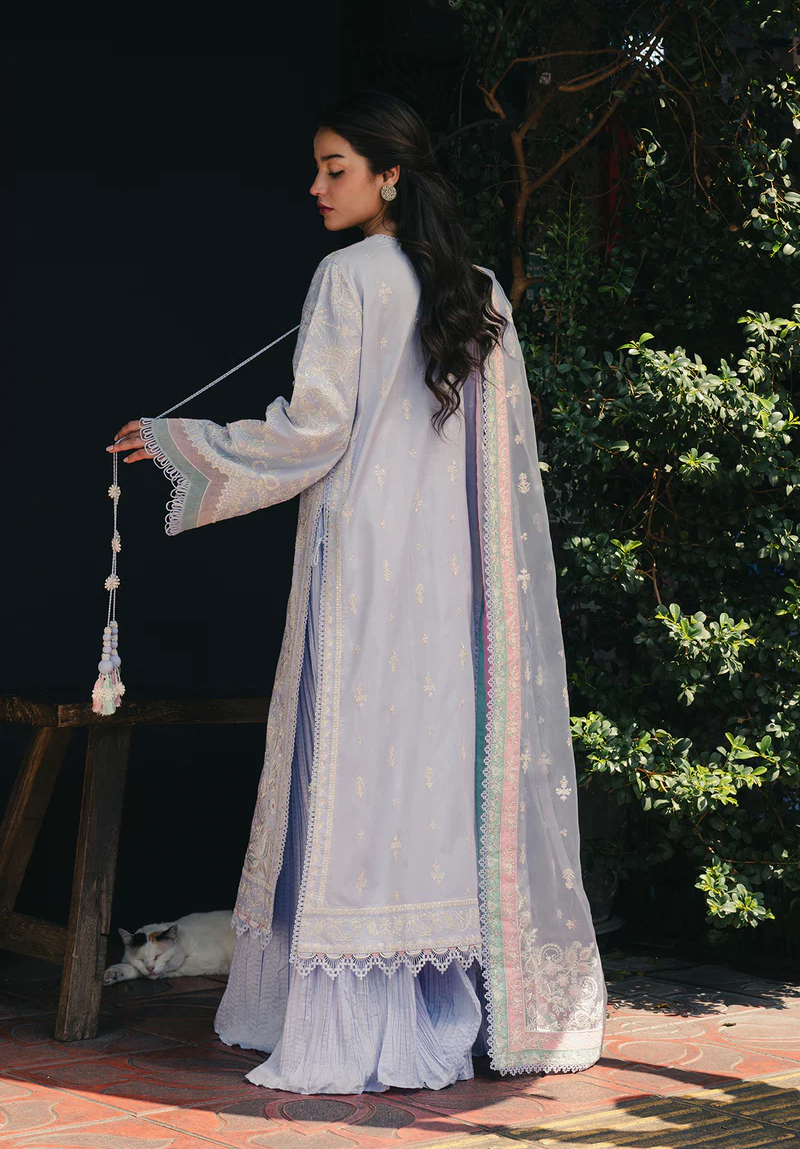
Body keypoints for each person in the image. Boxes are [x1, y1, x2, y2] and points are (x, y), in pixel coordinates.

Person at [109, 90, 607, 1094]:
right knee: (429, 790)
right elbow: (500, 471)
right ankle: (447, 1011)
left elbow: (312, 433)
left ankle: (354, 1025)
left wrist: (182, 443)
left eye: (334, 168)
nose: (315, 186)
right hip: (457, 591)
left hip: (366, 580)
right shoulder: (479, 292)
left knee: (355, 782)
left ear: (390, 176)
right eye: (318, 167)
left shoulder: (347, 276)